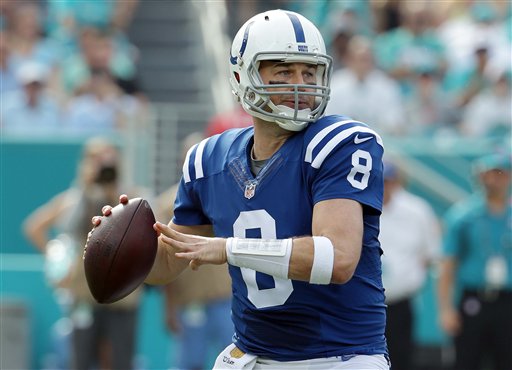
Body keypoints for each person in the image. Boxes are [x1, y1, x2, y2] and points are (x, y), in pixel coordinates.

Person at [95, 9, 389, 369]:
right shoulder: (208, 159)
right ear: (241, 76)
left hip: (337, 356)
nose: (301, 85)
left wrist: (227, 248)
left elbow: (337, 259)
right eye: (284, 71)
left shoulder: (338, 143)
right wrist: (127, 245)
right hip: (251, 354)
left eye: (309, 71)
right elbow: (169, 263)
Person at [24, 137, 143, 370]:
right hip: (83, 291)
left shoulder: (131, 196)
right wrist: (57, 259)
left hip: (122, 294)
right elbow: (36, 226)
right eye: (96, 160)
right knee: (81, 358)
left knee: (121, 360)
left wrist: (114, 191)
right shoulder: (73, 198)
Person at [155, 132, 233, 370]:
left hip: (225, 298)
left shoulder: (227, 194)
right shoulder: (169, 204)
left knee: (235, 361)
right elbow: (164, 258)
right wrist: (169, 308)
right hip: (190, 299)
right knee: (190, 363)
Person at [437, 151, 512, 370]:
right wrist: (445, 309)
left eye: (499, 174)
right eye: (488, 174)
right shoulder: (463, 216)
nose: (493, 180)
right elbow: (448, 264)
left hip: (508, 300)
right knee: (467, 359)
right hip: (474, 298)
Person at [380, 161, 441, 370]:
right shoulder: (360, 207)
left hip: (401, 298)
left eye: (388, 181)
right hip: (365, 299)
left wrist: (411, 279)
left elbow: (430, 252)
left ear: (397, 182)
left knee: (401, 354)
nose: (384, 186)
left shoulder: (417, 210)